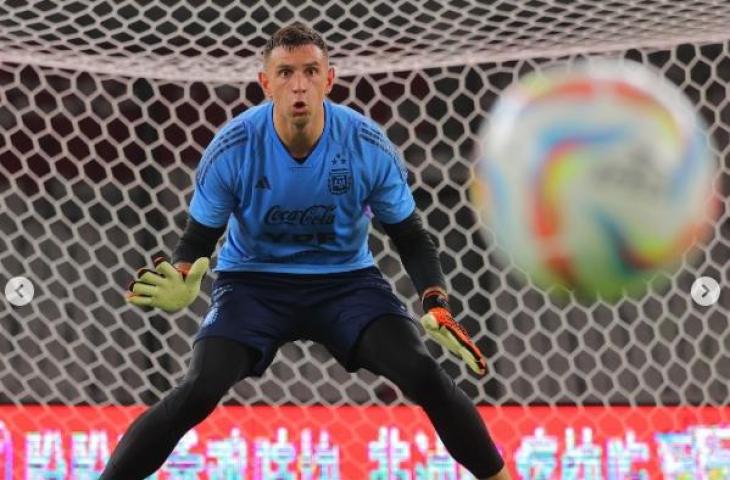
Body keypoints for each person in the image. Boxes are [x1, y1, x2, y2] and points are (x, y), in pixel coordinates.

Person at [100, 22, 509, 480]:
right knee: (197, 389)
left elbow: (410, 235)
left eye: (311, 71)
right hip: (252, 285)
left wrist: (435, 300)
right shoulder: (233, 148)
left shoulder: (367, 145)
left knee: (424, 373)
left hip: (347, 284)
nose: (299, 85)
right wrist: (180, 275)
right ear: (265, 83)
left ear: (329, 79)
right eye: (286, 72)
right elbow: (197, 239)